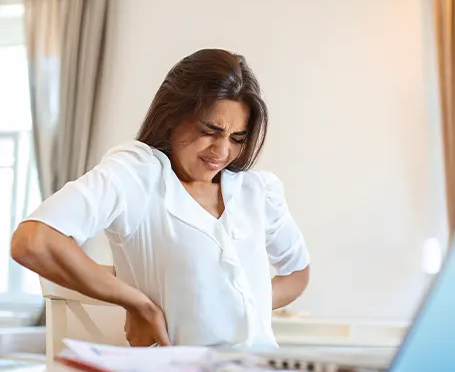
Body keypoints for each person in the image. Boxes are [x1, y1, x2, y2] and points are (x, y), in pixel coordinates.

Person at [11, 49, 310, 348]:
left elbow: (297, 272)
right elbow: (33, 241)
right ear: (172, 117)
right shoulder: (138, 174)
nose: (221, 151)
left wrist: (236, 305)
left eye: (237, 139)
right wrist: (136, 303)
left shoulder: (257, 191)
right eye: (210, 131)